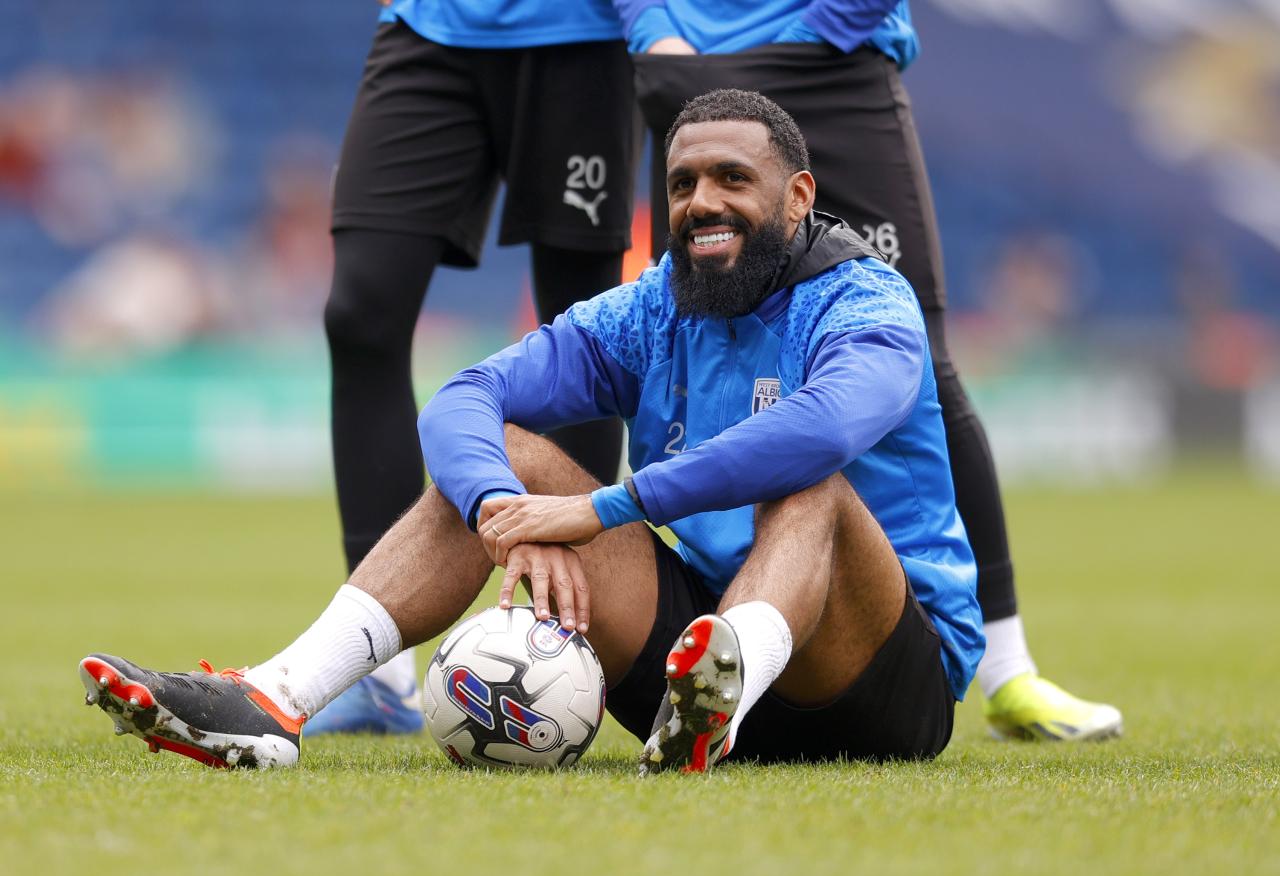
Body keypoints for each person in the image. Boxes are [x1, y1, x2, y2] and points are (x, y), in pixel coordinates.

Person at [78, 90, 981, 773]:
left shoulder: (866, 303)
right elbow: (464, 397)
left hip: (879, 680)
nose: (702, 202)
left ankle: (731, 678)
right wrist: (507, 514)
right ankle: (274, 700)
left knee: (808, 481)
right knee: (503, 455)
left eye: (732, 180)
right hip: (685, 669)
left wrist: (601, 509)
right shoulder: (651, 310)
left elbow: (820, 433)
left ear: (798, 197)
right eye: (681, 183)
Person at [614, 0, 1121, 740]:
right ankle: (678, 631)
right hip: (682, 62)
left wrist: (806, 37)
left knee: (917, 356)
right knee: (688, 319)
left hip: (826, 58)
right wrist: (651, 29)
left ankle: (1009, 672)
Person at [312, 0, 636, 734]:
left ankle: (569, 644)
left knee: (583, 328)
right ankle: (378, 671)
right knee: (360, 314)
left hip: (580, 32)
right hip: (429, 24)